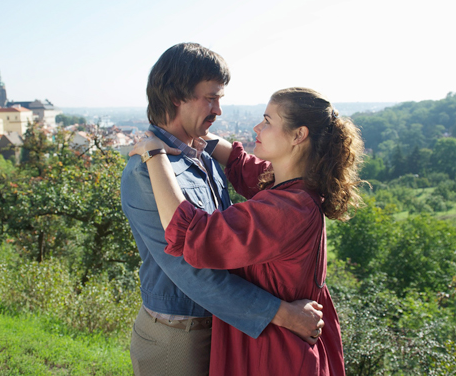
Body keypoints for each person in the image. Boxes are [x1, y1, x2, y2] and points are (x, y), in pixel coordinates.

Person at [130, 87, 365, 375]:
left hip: (275, 355)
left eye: (267, 121)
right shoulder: (299, 187)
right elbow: (244, 166)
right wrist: (191, 128)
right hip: (279, 345)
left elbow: (193, 235)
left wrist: (154, 153)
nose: (257, 127)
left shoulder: (287, 210)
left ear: (298, 135)